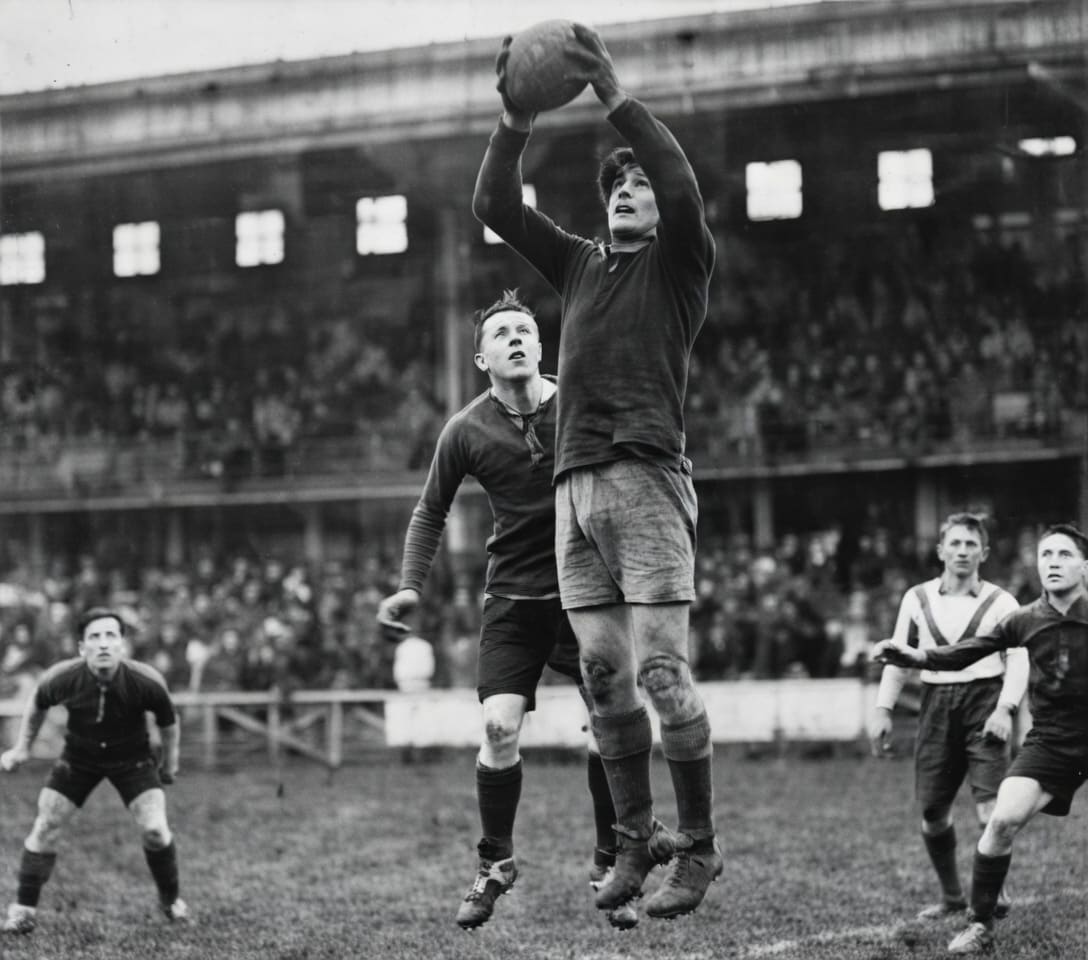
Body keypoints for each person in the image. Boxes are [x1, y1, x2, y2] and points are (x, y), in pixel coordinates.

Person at [473, 24, 721, 921]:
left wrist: (614, 98)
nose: (630, 191)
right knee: (607, 684)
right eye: (618, 182)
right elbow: (495, 205)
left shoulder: (681, 260)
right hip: (572, 489)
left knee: (660, 673)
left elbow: (683, 179)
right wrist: (513, 117)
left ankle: (696, 850)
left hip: (648, 476)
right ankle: (630, 843)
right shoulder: (578, 265)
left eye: (640, 185)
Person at [376, 292, 630, 931]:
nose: (516, 338)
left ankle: (611, 864)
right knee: (497, 729)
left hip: (586, 595)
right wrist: (410, 585)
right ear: (481, 357)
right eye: (502, 333)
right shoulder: (464, 428)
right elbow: (430, 510)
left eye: (526, 330)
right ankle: (495, 865)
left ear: (542, 347)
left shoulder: (580, 399)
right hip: (513, 601)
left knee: (608, 727)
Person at [873, 523, 1088, 955]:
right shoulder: (1026, 618)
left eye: (1064, 555)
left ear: (1085, 565)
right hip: (1053, 743)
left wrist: (1005, 709)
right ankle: (981, 924)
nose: (1053, 563)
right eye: (1046, 555)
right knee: (1001, 821)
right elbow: (970, 650)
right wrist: (918, 657)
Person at [869, 513, 1026, 922]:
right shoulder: (917, 598)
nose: (962, 551)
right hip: (936, 704)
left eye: (971, 544)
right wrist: (884, 708)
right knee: (933, 813)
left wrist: (1006, 710)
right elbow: (898, 658)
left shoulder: (1002, 602)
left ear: (984, 553)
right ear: (940, 550)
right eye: (954, 543)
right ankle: (953, 896)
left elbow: (1019, 660)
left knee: (990, 808)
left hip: (986, 702)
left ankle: (993, 891)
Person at [1, 607, 188, 935]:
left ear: (122, 645)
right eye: (94, 637)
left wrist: (169, 765)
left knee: (156, 830)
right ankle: (23, 910)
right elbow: (37, 704)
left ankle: (170, 901)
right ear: (81, 647)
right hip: (79, 757)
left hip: (132, 759)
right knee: (46, 825)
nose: (103, 644)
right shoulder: (62, 677)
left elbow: (169, 723)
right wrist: (22, 749)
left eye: (110, 636)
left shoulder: (146, 681)